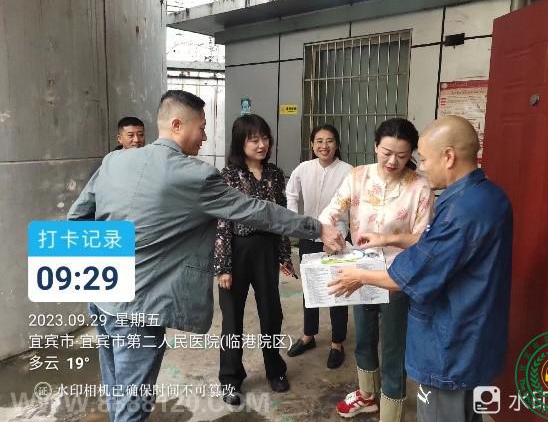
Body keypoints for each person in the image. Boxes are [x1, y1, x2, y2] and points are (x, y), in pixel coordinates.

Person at [67, 90, 345, 422]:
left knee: (117, 391)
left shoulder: (114, 161)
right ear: (177, 124)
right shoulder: (194, 175)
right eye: (201, 128)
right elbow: (256, 211)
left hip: (102, 297)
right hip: (140, 308)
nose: (205, 137)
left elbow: (77, 219)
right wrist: (317, 228)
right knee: (132, 407)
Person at [327, 115, 513, 422]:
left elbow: (414, 271)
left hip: (451, 342)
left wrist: (357, 276)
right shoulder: (489, 196)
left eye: (422, 158)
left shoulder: (459, 210)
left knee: (437, 407)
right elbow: (435, 244)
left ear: (448, 156)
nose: (421, 166)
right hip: (474, 333)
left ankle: (390, 409)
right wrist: (387, 238)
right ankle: (368, 394)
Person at [319, 118, 434, 422]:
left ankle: (392, 410)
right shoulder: (358, 176)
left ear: (411, 154)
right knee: (364, 337)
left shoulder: (420, 186)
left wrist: (388, 239)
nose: (393, 161)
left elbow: (425, 239)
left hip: (398, 276)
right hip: (360, 273)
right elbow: (331, 211)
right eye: (386, 153)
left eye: (402, 155)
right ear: (375, 147)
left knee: (394, 346)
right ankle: (367, 394)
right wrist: (328, 231)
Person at [214, 114, 296, 405]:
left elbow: (281, 217)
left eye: (265, 138)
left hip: (267, 249)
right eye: (254, 140)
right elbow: (222, 220)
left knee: (271, 314)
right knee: (232, 319)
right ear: (241, 142)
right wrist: (223, 266)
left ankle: (275, 369)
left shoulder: (274, 173)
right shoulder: (228, 175)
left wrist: (284, 255)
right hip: (236, 250)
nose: (262, 145)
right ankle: (230, 378)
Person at [285, 124, 352, 369]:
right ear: (312, 144)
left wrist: (346, 233)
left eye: (330, 141)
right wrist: (295, 221)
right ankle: (308, 335)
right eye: (319, 141)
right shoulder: (303, 168)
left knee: (338, 289)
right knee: (310, 288)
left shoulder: (348, 171)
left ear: (337, 144)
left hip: (336, 237)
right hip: (308, 236)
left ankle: (337, 342)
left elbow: (354, 203)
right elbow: (291, 193)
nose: (324, 146)